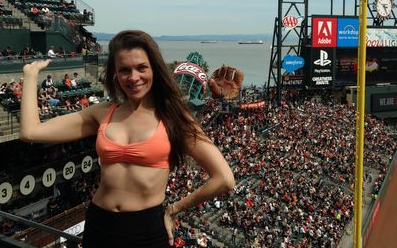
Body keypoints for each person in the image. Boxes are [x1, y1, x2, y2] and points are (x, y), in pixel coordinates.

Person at [20, 30, 235, 247]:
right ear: (115, 73)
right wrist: (30, 75)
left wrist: (173, 210)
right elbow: (31, 132)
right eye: (124, 70)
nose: (133, 78)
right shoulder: (102, 113)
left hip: (146, 230)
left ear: (155, 69)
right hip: (99, 224)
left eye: (142, 68)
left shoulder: (175, 118)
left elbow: (224, 179)